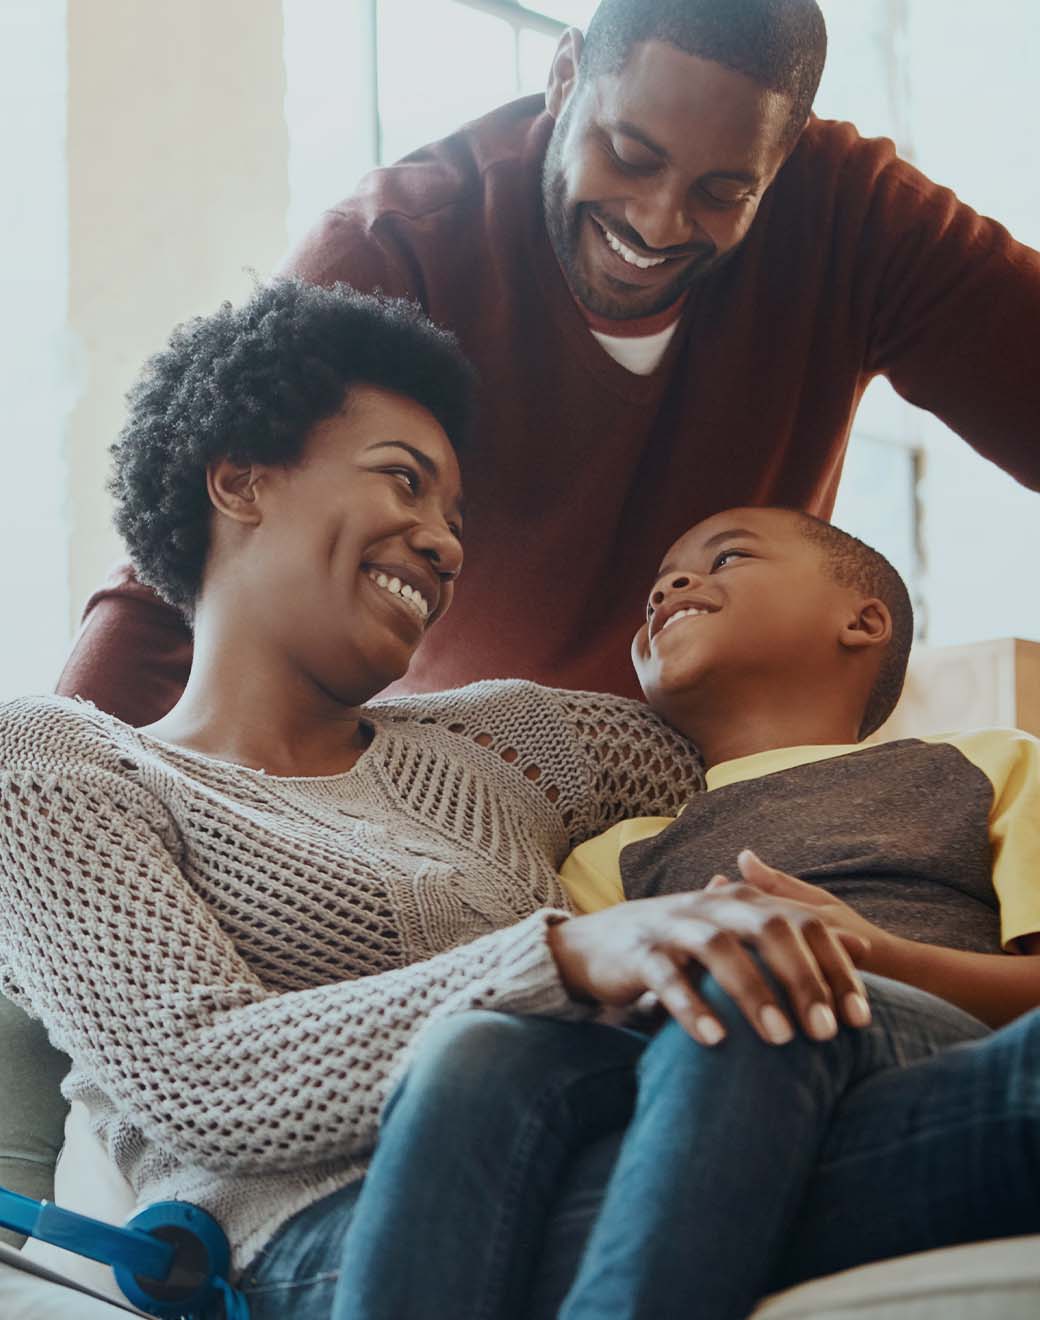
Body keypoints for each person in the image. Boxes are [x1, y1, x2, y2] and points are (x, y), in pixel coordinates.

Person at [0, 280, 893, 1318]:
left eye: (453, 517)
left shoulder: (511, 737)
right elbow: (204, 1078)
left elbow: (766, 738)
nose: (444, 542)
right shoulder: (54, 759)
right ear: (240, 481)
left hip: (615, 1145)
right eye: (402, 482)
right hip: (315, 1242)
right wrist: (562, 957)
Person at [55, 0, 1040, 724]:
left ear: (782, 165)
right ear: (563, 76)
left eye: (720, 191)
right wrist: (69, 803)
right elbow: (187, 566)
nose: (657, 222)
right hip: (445, 779)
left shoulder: (857, 219)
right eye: (629, 152)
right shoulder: (390, 251)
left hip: (716, 790)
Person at [330, 508, 1040, 1319]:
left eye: (727, 557)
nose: (669, 586)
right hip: (718, 1090)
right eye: (656, 585)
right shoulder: (618, 852)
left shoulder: (989, 763)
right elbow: (593, 1037)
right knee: (476, 1045)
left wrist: (878, 953)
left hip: (929, 1041)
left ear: (862, 620)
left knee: (749, 971)